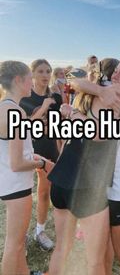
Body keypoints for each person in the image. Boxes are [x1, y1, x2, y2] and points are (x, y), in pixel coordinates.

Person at [47, 59, 120, 275]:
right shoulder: (106, 97)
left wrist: (74, 114)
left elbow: (99, 133)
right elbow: (74, 79)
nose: (115, 76)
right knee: (102, 255)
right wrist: (97, 91)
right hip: (98, 188)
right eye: (116, 71)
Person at [0, 61, 53, 275]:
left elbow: (11, 150)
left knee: (18, 243)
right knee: (15, 244)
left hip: (9, 181)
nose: (33, 81)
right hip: (15, 184)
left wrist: (34, 155)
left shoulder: (5, 106)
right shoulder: (15, 111)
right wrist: (42, 163)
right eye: (30, 77)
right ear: (18, 80)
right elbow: (17, 163)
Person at [20, 59, 62, 251]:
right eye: (40, 71)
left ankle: (40, 231)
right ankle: (22, 235)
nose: (45, 75)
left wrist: (61, 148)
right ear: (33, 74)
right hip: (27, 149)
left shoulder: (56, 97)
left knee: (45, 192)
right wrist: (43, 108)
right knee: (23, 195)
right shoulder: (24, 98)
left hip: (49, 148)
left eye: (48, 71)